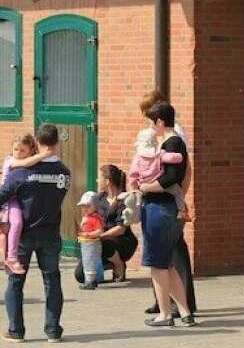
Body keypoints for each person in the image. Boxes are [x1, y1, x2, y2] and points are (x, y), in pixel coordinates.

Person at [0, 124, 70, 343]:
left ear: (37, 143)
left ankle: (16, 331)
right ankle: (53, 330)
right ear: (56, 143)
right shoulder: (65, 173)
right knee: (52, 280)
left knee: (15, 282)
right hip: (50, 233)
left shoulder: (21, 172)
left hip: (23, 235)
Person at [138, 91, 197, 318]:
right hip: (169, 205)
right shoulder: (170, 141)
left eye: (151, 121)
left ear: (160, 120)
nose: (151, 126)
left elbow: (171, 176)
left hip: (161, 207)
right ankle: (184, 311)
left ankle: (165, 313)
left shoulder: (172, 141)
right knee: (168, 264)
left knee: (159, 264)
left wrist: (146, 187)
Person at [0, 133, 51, 275]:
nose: (18, 153)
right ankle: (12, 258)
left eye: (22, 150)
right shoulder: (11, 161)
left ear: (31, 150)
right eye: (15, 149)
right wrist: (44, 155)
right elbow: (25, 163)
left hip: (19, 196)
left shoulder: (30, 162)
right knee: (16, 223)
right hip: (10, 198)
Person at [74, 165, 138, 284]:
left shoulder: (124, 200)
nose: (97, 181)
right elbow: (88, 215)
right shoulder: (98, 198)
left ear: (107, 181)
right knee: (80, 275)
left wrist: (99, 236)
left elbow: (121, 229)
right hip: (99, 242)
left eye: (99, 178)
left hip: (122, 242)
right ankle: (108, 264)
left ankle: (119, 264)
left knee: (104, 243)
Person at [123, 128, 186, 215]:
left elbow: (133, 173)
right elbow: (171, 158)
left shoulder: (138, 157)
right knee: (178, 191)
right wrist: (179, 156)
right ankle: (182, 212)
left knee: (138, 196)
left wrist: (134, 187)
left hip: (143, 183)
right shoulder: (159, 153)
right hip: (158, 183)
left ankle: (135, 210)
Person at [76, 191, 105, 290]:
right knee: (87, 261)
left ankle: (90, 282)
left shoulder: (95, 218)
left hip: (92, 243)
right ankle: (92, 280)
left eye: (88, 206)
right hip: (86, 242)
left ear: (95, 206)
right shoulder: (87, 217)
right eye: (83, 206)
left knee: (90, 262)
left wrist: (88, 234)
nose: (85, 208)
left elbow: (99, 231)